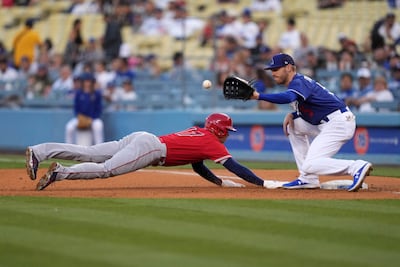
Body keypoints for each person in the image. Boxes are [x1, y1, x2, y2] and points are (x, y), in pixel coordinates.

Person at [25, 113, 270, 191]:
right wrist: (262, 183)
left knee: (89, 152)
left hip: (143, 138)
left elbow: (197, 164)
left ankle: (39, 151)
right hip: (152, 148)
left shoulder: (200, 133)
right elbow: (235, 167)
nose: (228, 134)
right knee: (106, 170)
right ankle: (60, 173)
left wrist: (217, 181)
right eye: (227, 130)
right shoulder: (213, 143)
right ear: (218, 130)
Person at [249, 53, 373, 192]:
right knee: (293, 125)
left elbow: (288, 97)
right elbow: (312, 107)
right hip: (327, 122)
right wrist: (293, 114)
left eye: (276, 69)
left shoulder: (299, 81)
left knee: (310, 164)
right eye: (272, 70)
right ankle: (307, 179)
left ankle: (356, 167)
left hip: (338, 123)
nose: (273, 73)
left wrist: (258, 96)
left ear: (289, 68)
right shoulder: (297, 84)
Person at [65, 72, 104, 145]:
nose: (87, 83)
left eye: (89, 81)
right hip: (81, 118)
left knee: (98, 126)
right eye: (86, 81)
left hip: (93, 119)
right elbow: (76, 108)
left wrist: (91, 119)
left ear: (92, 82)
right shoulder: (79, 93)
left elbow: (99, 108)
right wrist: (80, 117)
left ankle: (99, 147)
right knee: (69, 127)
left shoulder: (96, 93)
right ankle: (68, 148)